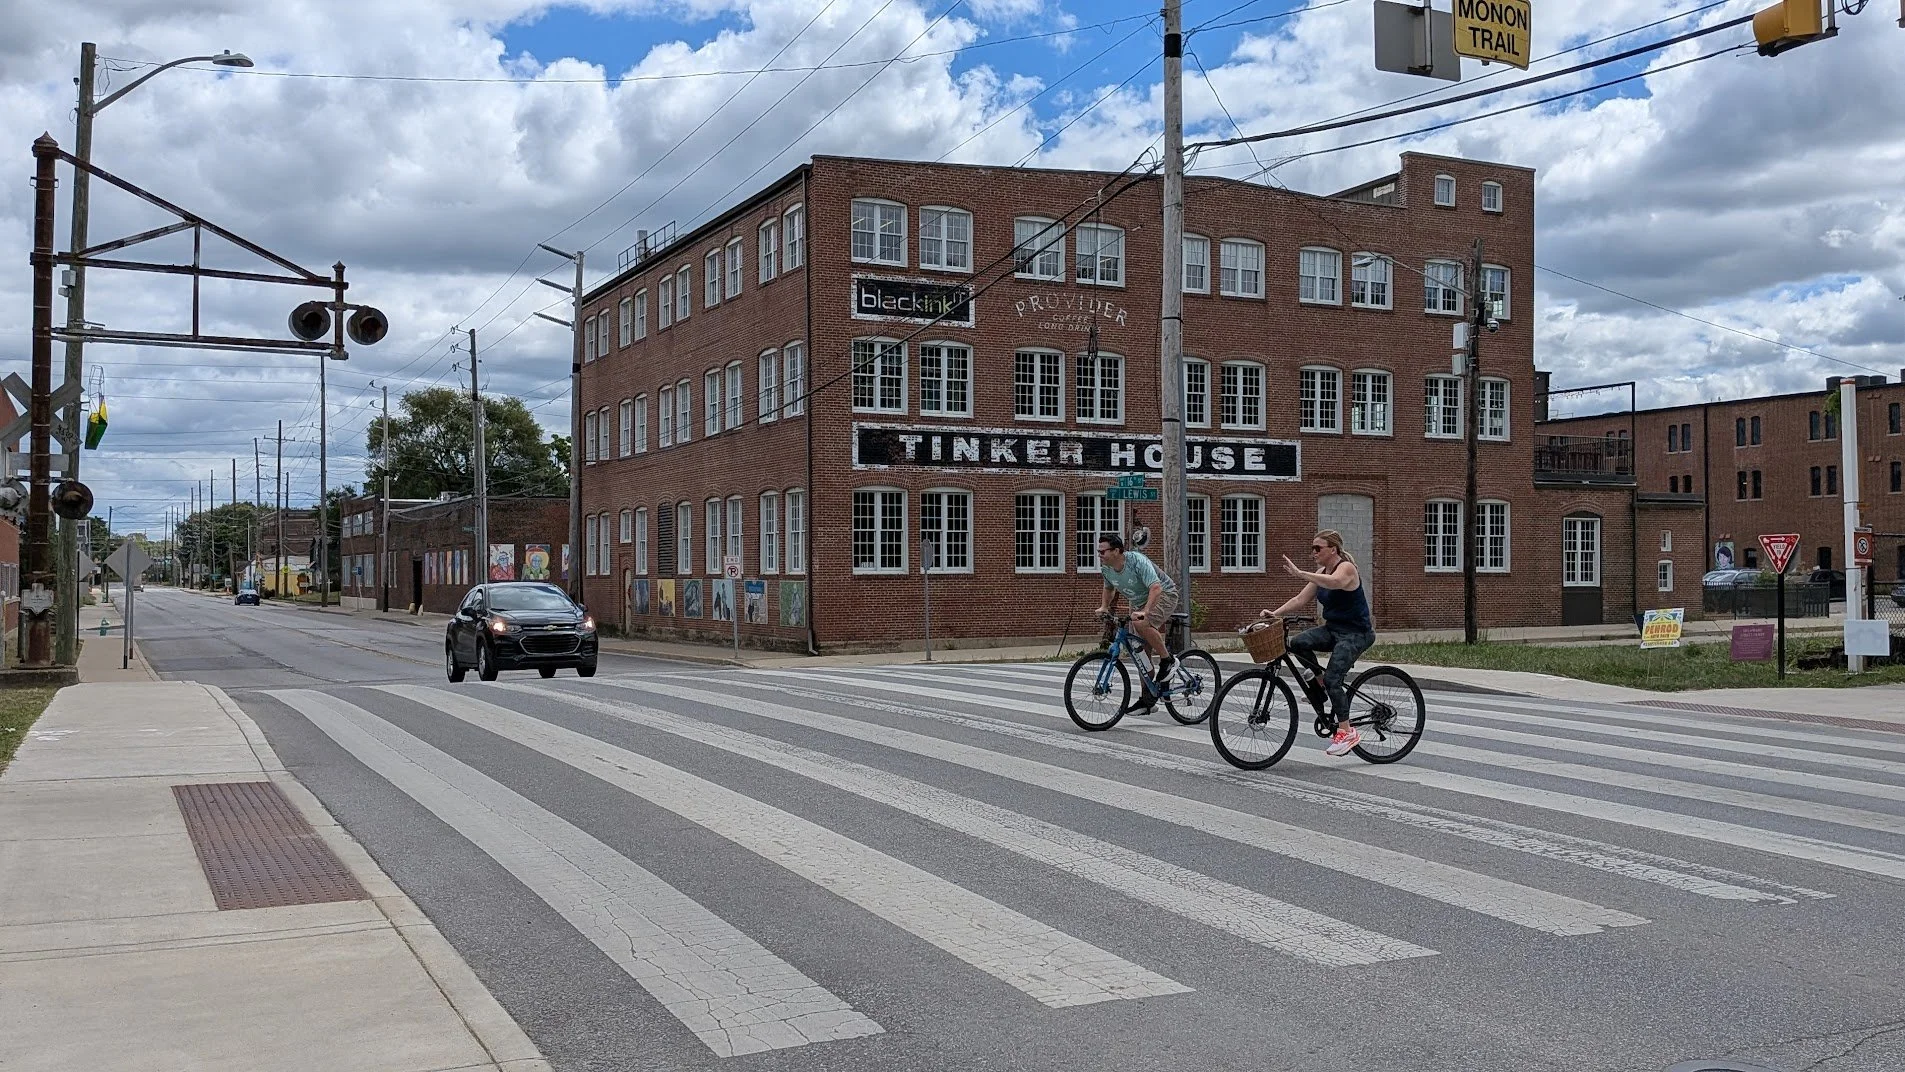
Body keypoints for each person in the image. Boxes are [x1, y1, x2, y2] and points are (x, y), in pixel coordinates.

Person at [1263, 529, 1373, 756]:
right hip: (1333, 629)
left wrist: (1301, 573)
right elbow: (1300, 599)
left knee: (1335, 679)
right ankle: (1320, 683)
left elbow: (1335, 583)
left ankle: (1346, 731)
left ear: (1333, 549)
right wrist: (1275, 614)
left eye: (1317, 548)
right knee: (1297, 643)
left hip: (1355, 634)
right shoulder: (1321, 572)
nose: (1313, 553)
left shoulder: (1346, 568)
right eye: (1312, 548)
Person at [1092, 532, 1178, 714]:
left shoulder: (1136, 561)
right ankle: (1148, 700)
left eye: (1102, 552)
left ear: (1116, 551)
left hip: (1164, 595)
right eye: (1098, 551)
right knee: (1140, 653)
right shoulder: (1107, 568)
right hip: (1140, 603)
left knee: (1141, 623)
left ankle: (1167, 660)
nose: (1099, 555)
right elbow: (1108, 589)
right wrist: (1104, 607)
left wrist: (1146, 612)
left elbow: (1156, 587)